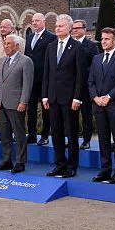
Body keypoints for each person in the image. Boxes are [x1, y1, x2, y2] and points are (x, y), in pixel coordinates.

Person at [41, 14, 85, 178]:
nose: (57, 28)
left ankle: (72, 166)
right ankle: (59, 164)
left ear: (69, 28)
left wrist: (77, 97)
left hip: (69, 99)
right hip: (52, 98)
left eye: (60, 26)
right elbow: (47, 73)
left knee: (71, 133)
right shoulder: (51, 47)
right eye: (56, 26)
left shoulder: (77, 47)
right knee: (56, 132)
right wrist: (44, 95)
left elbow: (80, 75)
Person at [87, 27, 115, 184]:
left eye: (107, 39)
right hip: (99, 106)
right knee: (103, 140)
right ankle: (105, 170)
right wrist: (95, 98)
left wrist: (109, 96)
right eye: (102, 38)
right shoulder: (96, 59)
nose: (103, 41)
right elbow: (90, 81)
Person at [0, 33, 34, 173]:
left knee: (19, 134)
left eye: (9, 43)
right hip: (2, 104)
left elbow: (27, 85)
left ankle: (20, 162)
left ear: (17, 45)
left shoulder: (25, 61)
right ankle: (7, 160)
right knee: (4, 134)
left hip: (16, 104)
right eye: (5, 43)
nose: (6, 46)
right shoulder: (2, 60)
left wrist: (23, 102)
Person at [25, 12, 56, 146]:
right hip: (31, 78)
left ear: (44, 21)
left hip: (44, 79)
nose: (34, 23)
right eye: (33, 21)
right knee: (30, 108)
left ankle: (44, 135)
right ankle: (31, 134)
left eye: (37, 20)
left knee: (45, 109)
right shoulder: (29, 37)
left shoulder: (51, 37)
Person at [72, 18, 98, 149]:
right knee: (71, 115)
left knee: (86, 114)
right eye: (73, 28)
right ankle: (73, 139)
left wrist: (80, 71)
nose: (75, 30)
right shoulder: (69, 44)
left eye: (78, 28)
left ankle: (87, 140)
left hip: (85, 86)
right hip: (71, 86)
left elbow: (95, 66)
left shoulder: (92, 46)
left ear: (84, 29)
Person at [0, 18, 24, 86]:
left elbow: (22, 60)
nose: (2, 29)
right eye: (1, 27)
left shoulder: (20, 41)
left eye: (4, 27)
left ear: (12, 28)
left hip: (14, 79)